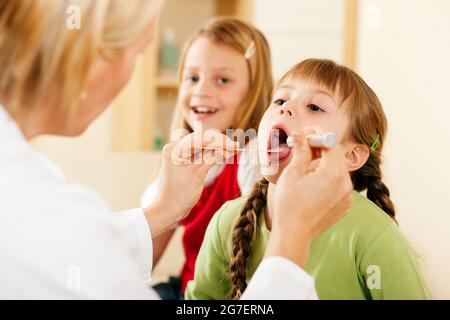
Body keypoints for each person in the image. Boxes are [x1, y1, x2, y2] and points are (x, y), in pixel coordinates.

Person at [0, 0, 352, 299]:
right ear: (89, 56)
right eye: (136, 52)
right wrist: (292, 239)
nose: (200, 91)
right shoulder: (37, 209)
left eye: (223, 79)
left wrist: (162, 210)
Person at [185, 59, 431, 300]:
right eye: (280, 100)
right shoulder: (226, 221)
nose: (286, 108)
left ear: (352, 155)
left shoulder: (373, 234)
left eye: (314, 107)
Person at [140, 17, 273, 299]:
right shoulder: (182, 157)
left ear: (254, 91)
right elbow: (144, 251)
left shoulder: (253, 158)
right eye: (192, 78)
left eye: (222, 80)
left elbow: (260, 263)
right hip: (185, 289)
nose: (201, 90)